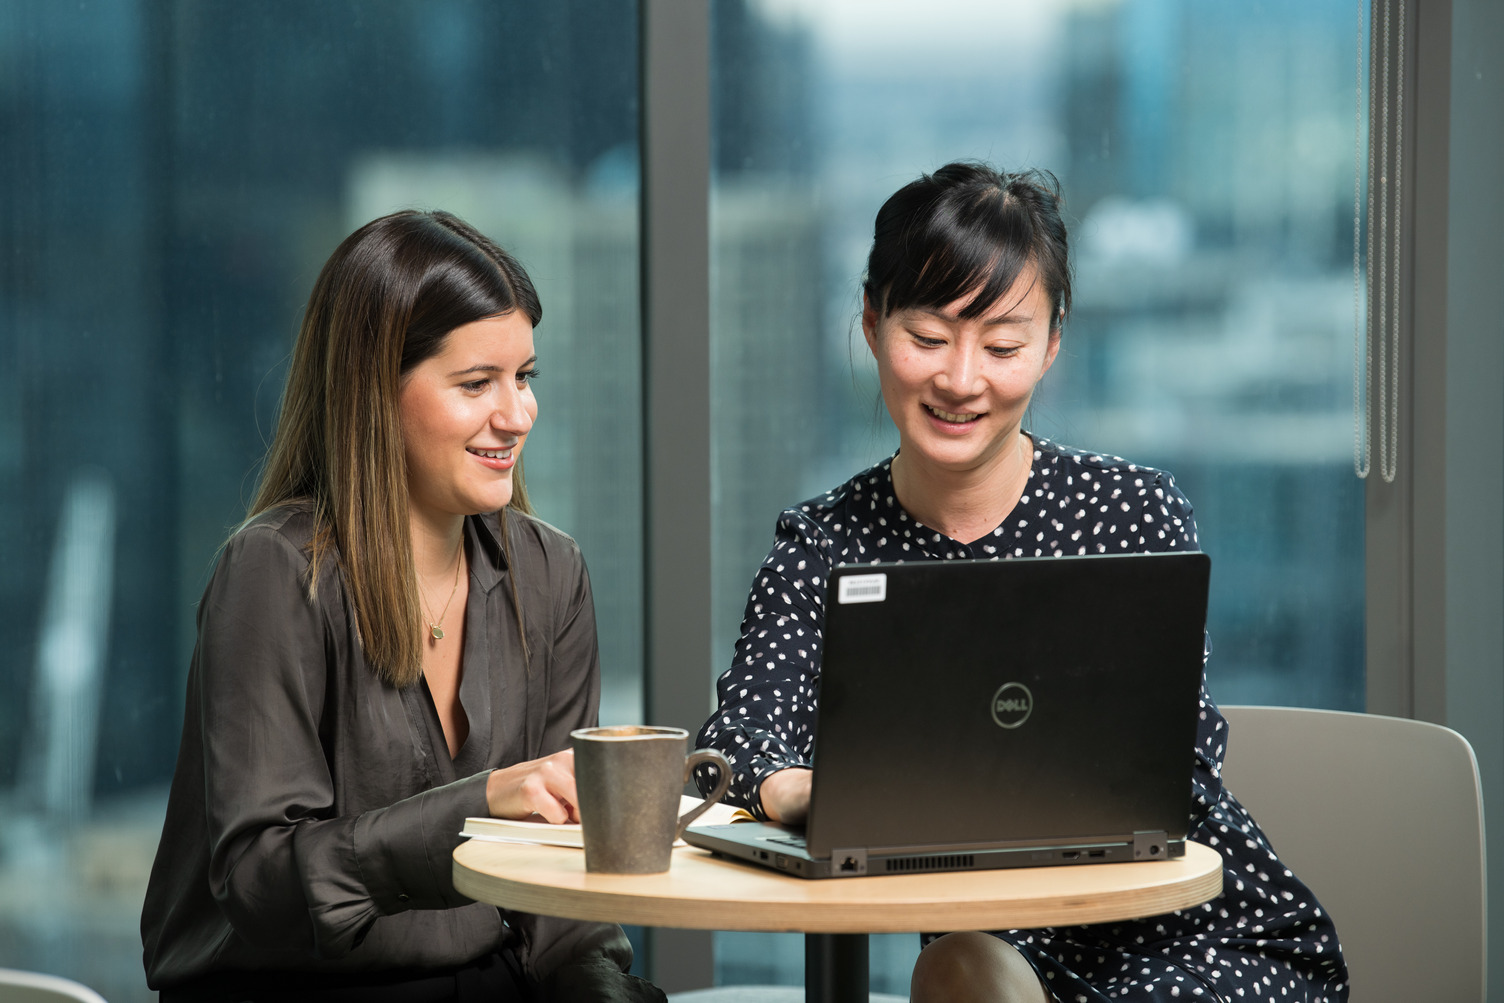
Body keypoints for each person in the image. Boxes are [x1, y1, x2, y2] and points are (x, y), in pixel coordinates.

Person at [695, 163, 1349, 1003]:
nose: (962, 379)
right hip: (996, 952)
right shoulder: (824, 542)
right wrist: (797, 789)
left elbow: (1181, 760)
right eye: (928, 337)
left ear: (1052, 343)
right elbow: (733, 743)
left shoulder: (1131, 512)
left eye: (1002, 346)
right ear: (871, 323)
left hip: (1193, 934)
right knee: (970, 974)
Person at [142, 210, 664, 1002]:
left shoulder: (551, 572)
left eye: (524, 377)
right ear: (374, 392)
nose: (517, 414)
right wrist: (482, 804)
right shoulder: (276, 571)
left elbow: (563, 914)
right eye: (476, 383)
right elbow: (260, 881)